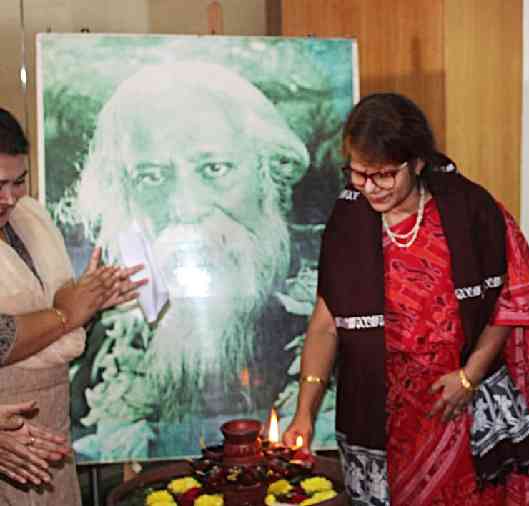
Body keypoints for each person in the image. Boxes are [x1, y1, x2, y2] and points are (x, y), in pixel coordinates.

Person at [283, 93, 529, 505]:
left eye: (383, 175)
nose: (369, 188)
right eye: (358, 174)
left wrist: (470, 377)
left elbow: (511, 305)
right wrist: (305, 413)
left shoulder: (471, 211)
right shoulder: (348, 222)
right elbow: (326, 324)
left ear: (417, 163)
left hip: (455, 409)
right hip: (377, 418)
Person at [68, 61, 312, 459]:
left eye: (214, 169)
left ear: (268, 175)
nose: (185, 207)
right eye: (150, 176)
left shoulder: (322, 317)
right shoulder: (101, 345)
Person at [0, 107, 142, 504]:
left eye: (19, 182)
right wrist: (66, 315)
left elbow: (49, 310)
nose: (9, 197)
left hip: (50, 433)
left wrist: (91, 300)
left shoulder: (28, 218)